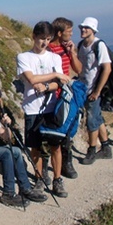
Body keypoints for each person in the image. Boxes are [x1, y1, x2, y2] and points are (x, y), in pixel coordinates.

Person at [16, 21, 71, 197]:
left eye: (48, 39)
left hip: (52, 108)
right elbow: (31, 79)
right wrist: (55, 75)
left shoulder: (54, 57)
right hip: (32, 108)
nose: (44, 43)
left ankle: (57, 179)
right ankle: (40, 178)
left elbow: (61, 83)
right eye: (41, 38)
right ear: (34, 36)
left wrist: (47, 86)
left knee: (55, 146)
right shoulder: (24, 57)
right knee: (35, 147)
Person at [48, 17, 82, 178]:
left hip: (66, 96)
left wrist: (72, 52)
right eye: (69, 31)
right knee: (54, 132)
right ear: (60, 33)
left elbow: (78, 69)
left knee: (67, 130)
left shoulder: (65, 47)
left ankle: (67, 162)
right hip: (53, 96)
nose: (72, 33)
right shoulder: (48, 50)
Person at [76, 17, 113, 165]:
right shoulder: (81, 45)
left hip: (93, 90)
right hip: (84, 88)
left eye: (86, 28)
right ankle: (106, 148)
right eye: (82, 27)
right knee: (97, 118)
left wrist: (97, 91)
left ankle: (91, 150)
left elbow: (107, 68)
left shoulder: (99, 45)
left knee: (91, 121)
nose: (83, 30)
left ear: (93, 30)